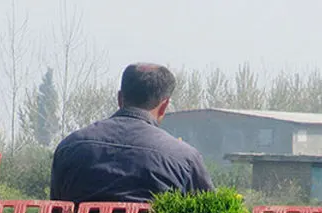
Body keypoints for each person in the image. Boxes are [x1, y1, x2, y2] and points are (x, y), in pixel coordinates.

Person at [50, 63, 214, 204]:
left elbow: (56, 211)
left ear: (120, 99)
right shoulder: (184, 158)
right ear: (164, 106)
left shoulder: (70, 146)